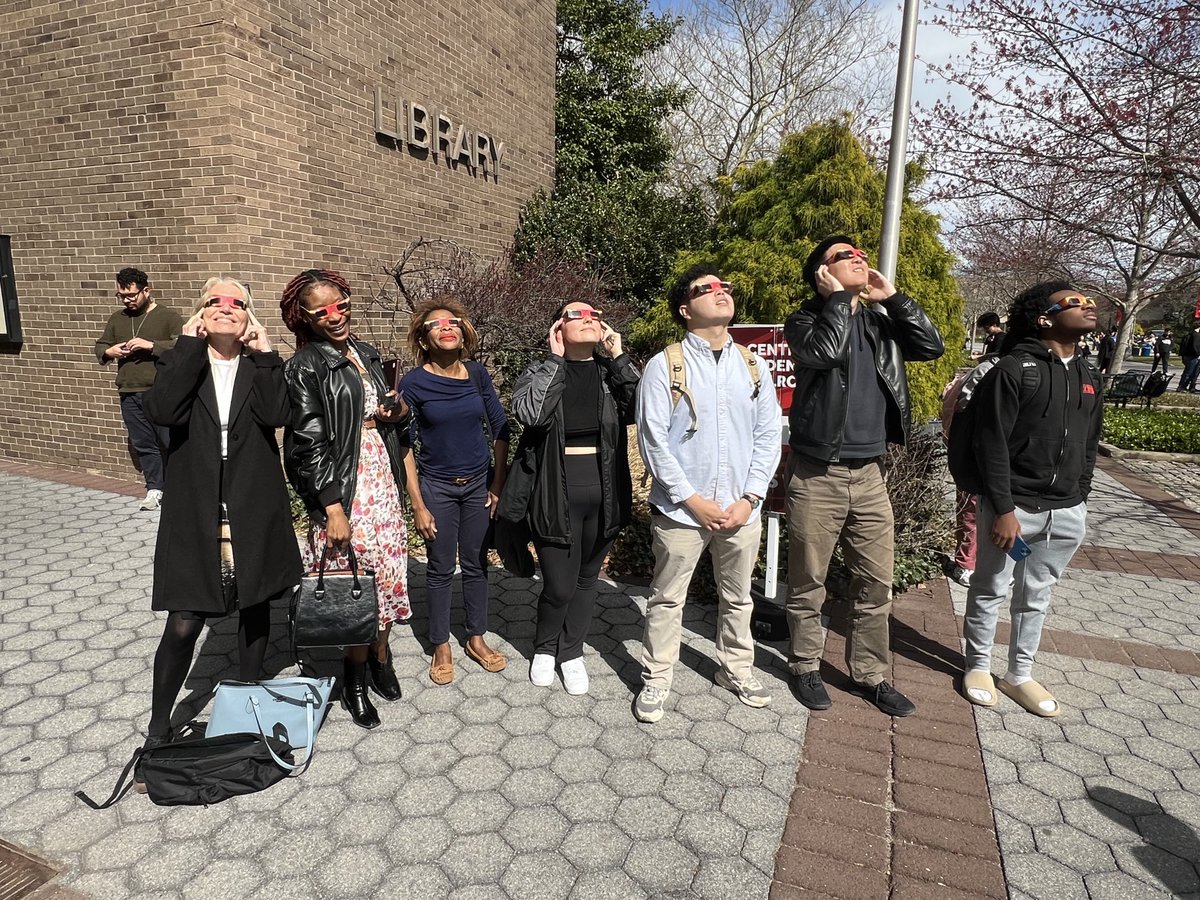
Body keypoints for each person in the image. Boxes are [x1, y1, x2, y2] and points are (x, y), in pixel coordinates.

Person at [138, 276, 301, 786]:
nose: (226, 308)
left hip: (253, 501)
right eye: (216, 301)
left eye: (238, 303)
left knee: (255, 603)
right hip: (195, 504)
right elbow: (162, 411)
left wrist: (270, 353)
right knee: (185, 618)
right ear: (200, 314)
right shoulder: (180, 360)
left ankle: (246, 702)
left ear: (249, 317)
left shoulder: (259, 366)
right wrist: (187, 346)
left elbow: (278, 415)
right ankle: (159, 730)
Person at [783, 236, 944, 717]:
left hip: (871, 474)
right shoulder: (806, 319)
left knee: (875, 582)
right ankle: (804, 666)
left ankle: (870, 674)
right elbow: (824, 354)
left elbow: (930, 347)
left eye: (860, 254)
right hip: (818, 474)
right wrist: (837, 301)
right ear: (822, 273)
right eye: (844, 256)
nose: (858, 259)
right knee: (809, 580)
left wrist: (893, 298)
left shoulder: (881, 321)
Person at [633, 266, 780, 723]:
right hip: (681, 511)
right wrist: (691, 498)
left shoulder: (753, 366)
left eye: (725, 288)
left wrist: (750, 496)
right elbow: (652, 439)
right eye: (707, 288)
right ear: (685, 309)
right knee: (666, 598)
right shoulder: (665, 365)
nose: (721, 293)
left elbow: (768, 434)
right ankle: (657, 677)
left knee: (738, 598)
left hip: (741, 509)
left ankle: (735, 669)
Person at [960, 283, 1102, 717]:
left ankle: (1019, 673)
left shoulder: (1088, 374)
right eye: (1074, 302)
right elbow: (991, 443)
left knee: (1036, 594)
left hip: (1065, 509)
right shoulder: (1014, 368)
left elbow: (1091, 441)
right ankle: (978, 665)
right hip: (1013, 508)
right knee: (990, 587)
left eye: (1089, 301)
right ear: (1045, 318)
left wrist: (1080, 495)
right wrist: (1002, 508)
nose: (1088, 306)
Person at [281, 269, 411, 729]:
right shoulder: (305, 366)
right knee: (357, 585)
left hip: (382, 479)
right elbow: (308, 443)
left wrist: (398, 409)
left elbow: (388, 413)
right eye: (322, 312)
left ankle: (380, 655)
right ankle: (355, 681)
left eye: (341, 305)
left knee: (390, 577)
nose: (335, 316)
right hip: (347, 488)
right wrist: (332, 507)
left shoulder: (365, 352)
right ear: (306, 319)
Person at [500, 301, 639, 695]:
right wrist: (555, 361)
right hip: (553, 492)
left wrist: (619, 357)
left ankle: (572, 652)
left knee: (586, 580)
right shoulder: (540, 371)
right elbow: (532, 414)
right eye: (576, 315)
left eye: (594, 314)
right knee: (559, 585)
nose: (589, 318)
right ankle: (545, 647)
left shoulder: (610, 375)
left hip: (605, 490)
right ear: (558, 328)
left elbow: (643, 409)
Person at [399, 297, 511, 686]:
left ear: (463, 333)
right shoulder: (413, 383)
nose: (447, 328)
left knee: (478, 564)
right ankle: (441, 643)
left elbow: (500, 428)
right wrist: (417, 503)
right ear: (424, 339)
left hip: (478, 485)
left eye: (453, 322)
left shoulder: (478, 374)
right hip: (437, 488)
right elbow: (404, 444)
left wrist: (497, 483)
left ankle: (476, 637)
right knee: (441, 567)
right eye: (436, 325)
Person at [94, 267, 182, 511]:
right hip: (128, 391)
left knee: (170, 441)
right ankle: (155, 488)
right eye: (122, 296)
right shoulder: (118, 318)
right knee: (143, 442)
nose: (127, 300)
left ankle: (179, 488)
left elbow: (183, 347)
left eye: (131, 295)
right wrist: (109, 352)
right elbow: (101, 345)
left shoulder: (168, 316)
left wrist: (150, 345)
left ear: (146, 290)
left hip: (160, 391)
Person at [1177, 324, 1200, 392]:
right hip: (1193, 356)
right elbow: (1195, 346)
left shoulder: (1189, 335)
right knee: (1190, 372)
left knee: (1194, 372)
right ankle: (1182, 386)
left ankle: (1191, 387)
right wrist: (1198, 353)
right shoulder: (1196, 335)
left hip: (1189, 356)